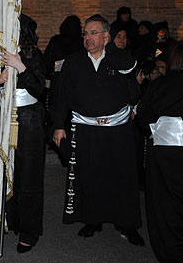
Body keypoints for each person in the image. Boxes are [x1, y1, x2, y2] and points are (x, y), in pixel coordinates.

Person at [51, 14, 144, 246]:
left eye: (94, 33)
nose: (87, 37)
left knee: (122, 178)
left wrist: (110, 49)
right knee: (90, 176)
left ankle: (127, 225)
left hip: (118, 129)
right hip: (86, 128)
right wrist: (59, 126)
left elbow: (132, 75)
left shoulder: (118, 59)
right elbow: (60, 96)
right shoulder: (73, 62)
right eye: (85, 33)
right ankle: (93, 220)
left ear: (106, 36)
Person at [0, 14, 46, 253]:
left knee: (27, 175)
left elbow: (40, 89)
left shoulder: (34, 55)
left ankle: (27, 230)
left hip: (28, 121)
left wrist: (20, 67)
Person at [135, 42, 183, 263]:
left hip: (166, 154)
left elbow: (144, 118)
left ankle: (170, 253)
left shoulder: (160, 85)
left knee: (164, 205)